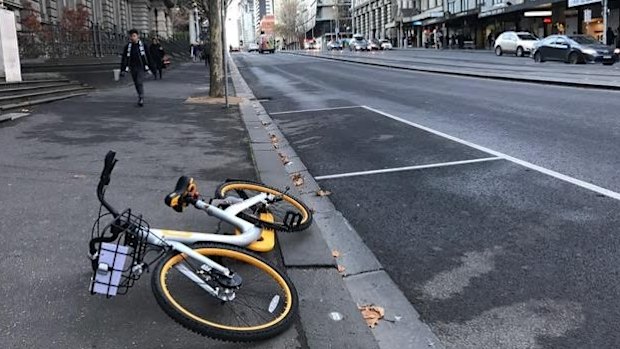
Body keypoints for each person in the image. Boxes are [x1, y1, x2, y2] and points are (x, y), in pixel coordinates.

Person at [120, 29, 153, 107]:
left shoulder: (143, 45)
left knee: (139, 81)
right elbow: (124, 58)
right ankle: (139, 95)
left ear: (138, 36)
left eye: (134, 36)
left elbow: (148, 56)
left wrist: (151, 68)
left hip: (141, 66)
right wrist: (123, 69)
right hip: (132, 66)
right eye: (131, 36)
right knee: (136, 82)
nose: (132, 38)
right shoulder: (128, 46)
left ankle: (141, 97)